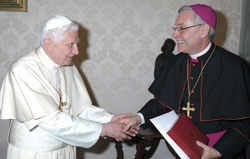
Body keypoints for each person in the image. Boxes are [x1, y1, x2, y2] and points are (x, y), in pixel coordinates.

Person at [121, 4, 250, 159]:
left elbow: (246, 122)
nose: (175, 34)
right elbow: (162, 103)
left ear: (204, 30)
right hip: (184, 148)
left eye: (181, 28)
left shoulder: (235, 68)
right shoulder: (177, 62)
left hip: (223, 151)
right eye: (175, 28)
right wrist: (138, 118)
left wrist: (219, 151)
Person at [0, 15, 137, 159]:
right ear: (49, 43)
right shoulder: (24, 70)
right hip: (34, 153)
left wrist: (110, 119)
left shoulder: (66, 65)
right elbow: (50, 120)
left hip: (66, 149)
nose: (77, 51)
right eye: (71, 45)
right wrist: (103, 129)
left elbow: (80, 109)